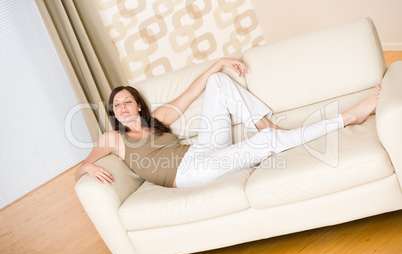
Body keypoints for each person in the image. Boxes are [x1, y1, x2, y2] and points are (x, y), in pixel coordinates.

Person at [74, 58, 381, 188]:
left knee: (218, 81)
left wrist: (218, 64)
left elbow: (193, 90)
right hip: (190, 173)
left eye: (127, 100)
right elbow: (80, 167)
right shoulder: (113, 139)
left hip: (200, 149)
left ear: (137, 105)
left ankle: (265, 125)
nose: (122, 106)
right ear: (114, 113)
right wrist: (87, 167)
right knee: (269, 143)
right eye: (116, 105)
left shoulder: (156, 120)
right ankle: (350, 117)